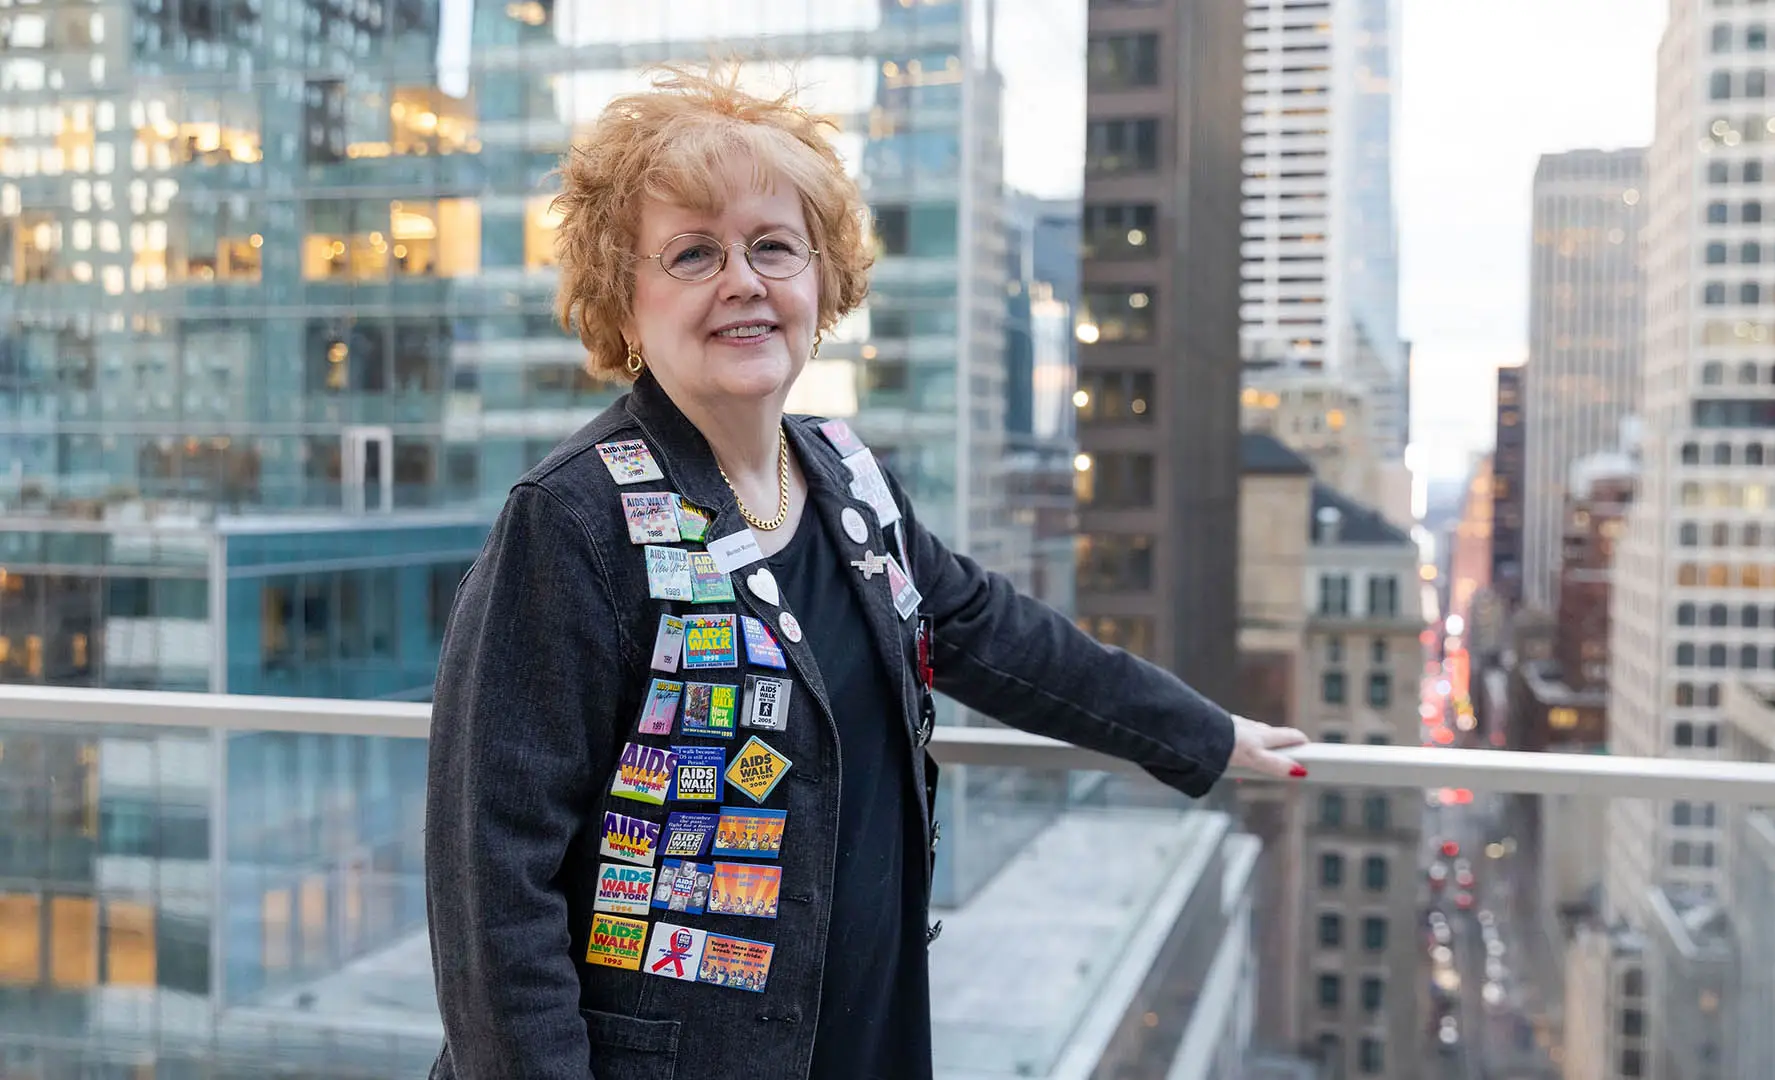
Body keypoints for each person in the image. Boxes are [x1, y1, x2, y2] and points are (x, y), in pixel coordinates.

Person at [423, 65, 1310, 1080]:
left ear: (822, 282)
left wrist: (1205, 733)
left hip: (861, 1038)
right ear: (624, 305)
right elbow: (490, 877)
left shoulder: (846, 479)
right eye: (692, 254)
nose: (743, 281)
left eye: (773, 247)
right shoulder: (575, 519)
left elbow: (998, 635)